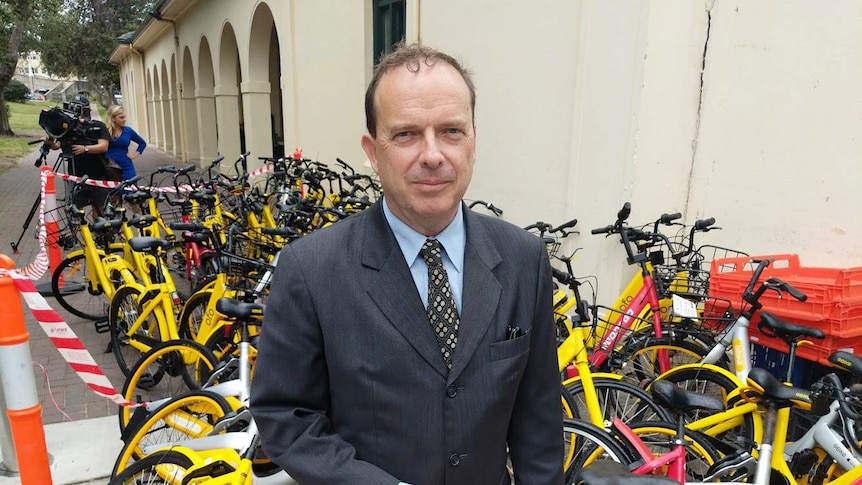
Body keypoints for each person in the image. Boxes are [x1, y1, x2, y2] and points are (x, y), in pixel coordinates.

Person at [250, 43, 563, 484]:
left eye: (451, 131)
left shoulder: (523, 259)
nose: (433, 155)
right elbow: (286, 417)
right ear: (373, 152)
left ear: (473, 141)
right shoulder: (311, 269)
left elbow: (539, 422)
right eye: (406, 134)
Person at [42, 95, 111, 213]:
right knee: (75, 211)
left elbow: (103, 146)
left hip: (97, 175)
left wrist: (85, 149)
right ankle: (76, 228)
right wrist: (50, 142)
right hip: (75, 176)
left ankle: (98, 230)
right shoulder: (66, 129)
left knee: (99, 209)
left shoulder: (97, 125)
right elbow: (57, 146)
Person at [105, 104, 147, 180]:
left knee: (131, 190)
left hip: (127, 167)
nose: (124, 120)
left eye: (124, 117)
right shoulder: (105, 131)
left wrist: (135, 154)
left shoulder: (128, 131)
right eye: (121, 117)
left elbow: (142, 143)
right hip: (110, 168)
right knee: (114, 191)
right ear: (113, 118)